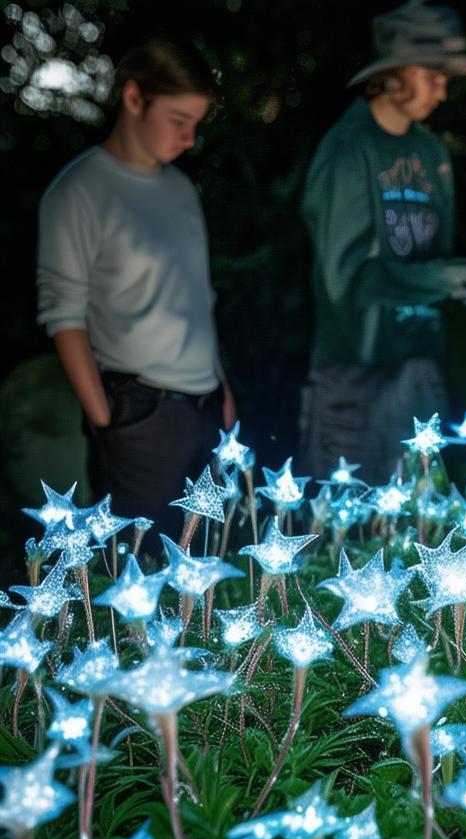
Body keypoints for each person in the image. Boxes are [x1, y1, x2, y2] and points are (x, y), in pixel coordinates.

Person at [36, 38, 234, 541]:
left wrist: (223, 389)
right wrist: (106, 416)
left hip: (206, 408)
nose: (190, 139)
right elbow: (64, 312)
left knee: (212, 559)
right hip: (138, 413)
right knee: (141, 574)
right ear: (133, 98)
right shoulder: (78, 191)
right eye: (178, 120)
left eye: (197, 124)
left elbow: (199, 295)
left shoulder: (181, 190)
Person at [300, 0, 466, 485]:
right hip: (357, 378)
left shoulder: (431, 153)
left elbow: (431, 259)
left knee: (423, 535)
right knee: (352, 539)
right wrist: (440, 277)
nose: (444, 91)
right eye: (435, 76)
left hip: (423, 371)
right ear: (396, 72)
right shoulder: (348, 149)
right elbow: (345, 279)